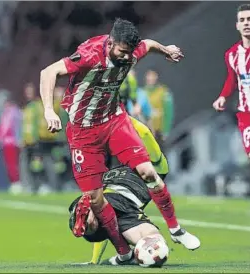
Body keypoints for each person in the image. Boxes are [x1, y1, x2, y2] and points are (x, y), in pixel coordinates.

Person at [40, 18, 190, 262]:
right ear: (110, 43)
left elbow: (148, 44)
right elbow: (48, 72)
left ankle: (175, 229)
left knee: (148, 172)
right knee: (95, 200)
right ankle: (123, 252)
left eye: (130, 53)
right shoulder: (89, 55)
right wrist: (49, 110)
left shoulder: (130, 51)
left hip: (113, 120)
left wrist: (166, 50)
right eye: (122, 52)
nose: (126, 57)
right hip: (83, 131)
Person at [68, 119, 200, 265]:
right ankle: (172, 232)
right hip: (123, 203)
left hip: (115, 199)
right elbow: (144, 132)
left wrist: (113, 119)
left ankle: (123, 254)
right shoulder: (150, 162)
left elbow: (143, 133)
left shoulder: (145, 162)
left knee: (96, 208)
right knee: (148, 237)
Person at [213, 4, 250, 160]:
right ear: (237, 25)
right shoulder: (231, 54)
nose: (246, 23)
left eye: (249, 19)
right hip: (246, 112)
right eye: (242, 20)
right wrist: (222, 96)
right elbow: (231, 79)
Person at [0, 97, 23, 194]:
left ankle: (16, 184)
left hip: (9, 142)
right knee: (16, 163)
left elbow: (4, 128)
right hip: (17, 142)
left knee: (11, 164)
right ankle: (17, 183)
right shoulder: (19, 112)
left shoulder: (9, 113)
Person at [143, 70, 174, 145]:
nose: (151, 78)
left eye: (153, 75)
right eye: (149, 75)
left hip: (160, 132)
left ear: (157, 77)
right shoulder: (142, 93)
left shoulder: (163, 92)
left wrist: (166, 131)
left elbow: (168, 112)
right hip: (147, 132)